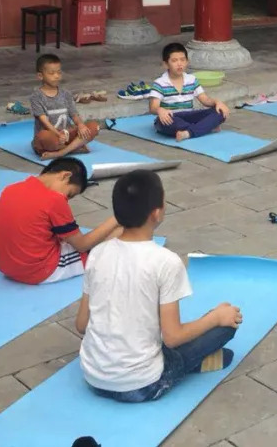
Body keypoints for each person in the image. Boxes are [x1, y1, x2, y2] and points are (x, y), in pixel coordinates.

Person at [75, 169, 242, 402]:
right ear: (157, 213)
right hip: (142, 385)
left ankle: (192, 357)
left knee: (153, 334)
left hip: (93, 378)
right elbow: (172, 337)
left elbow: (82, 325)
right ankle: (193, 362)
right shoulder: (166, 261)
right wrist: (215, 318)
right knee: (227, 322)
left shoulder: (98, 253)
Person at [0, 157, 120, 284]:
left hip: (8, 268)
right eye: (69, 194)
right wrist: (118, 217)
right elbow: (82, 245)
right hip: (38, 271)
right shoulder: (54, 200)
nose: (66, 199)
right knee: (113, 236)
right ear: (65, 176)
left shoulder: (10, 189)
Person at [149, 43, 230, 142]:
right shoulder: (160, 83)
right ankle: (204, 128)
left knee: (220, 112)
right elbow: (153, 107)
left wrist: (218, 102)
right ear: (166, 64)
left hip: (190, 115)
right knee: (162, 123)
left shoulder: (192, 79)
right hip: (172, 118)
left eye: (182, 60)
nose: (179, 64)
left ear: (187, 62)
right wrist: (160, 110)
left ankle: (188, 133)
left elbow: (205, 100)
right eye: (174, 60)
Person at [30, 54, 100, 159]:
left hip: (66, 135)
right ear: (40, 76)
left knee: (94, 127)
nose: (56, 76)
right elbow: (44, 121)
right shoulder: (36, 96)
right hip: (51, 136)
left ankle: (61, 152)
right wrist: (58, 134)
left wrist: (80, 125)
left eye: (59, 72)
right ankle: (75, 147)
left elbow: (74, 114)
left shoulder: (66, 93)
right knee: (43, 137)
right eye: (51, 73)